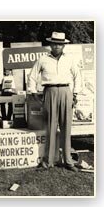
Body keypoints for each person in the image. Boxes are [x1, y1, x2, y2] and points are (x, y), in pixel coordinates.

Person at [28, 32, 82, 172]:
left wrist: (75, 93)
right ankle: (48, 161)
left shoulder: (69, 59)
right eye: (54, 43)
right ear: (51, 44)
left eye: (60, 44)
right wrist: (33, 92)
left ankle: (68, 161)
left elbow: (78, 76)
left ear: (63, 45)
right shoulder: (43, 59)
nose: (57, 46)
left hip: (66, 91)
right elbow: (32, 76)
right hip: (50, 91)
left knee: (66, 127)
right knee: (51, 127)